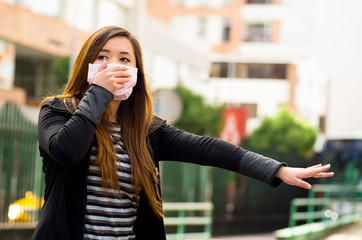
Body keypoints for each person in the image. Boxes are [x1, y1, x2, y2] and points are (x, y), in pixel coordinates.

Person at [32, 26, 333, 240]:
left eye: (125, 59)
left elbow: (210, 149)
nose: (114, 66)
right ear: (87, 64)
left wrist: (276, 169)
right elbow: (67, 151)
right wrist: (99, 92)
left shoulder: (147, 131)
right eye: (102, 57)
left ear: (137, 73)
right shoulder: (58, 111)